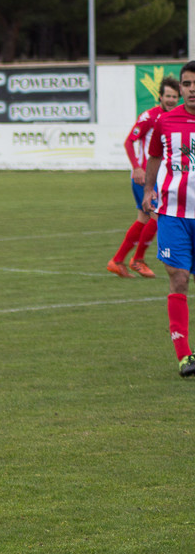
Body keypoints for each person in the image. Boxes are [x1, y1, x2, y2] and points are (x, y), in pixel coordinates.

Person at [143, 61, 195, 377]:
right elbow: (155, 156)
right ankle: (185, 356)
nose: (192, 89)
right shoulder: (165, 121)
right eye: (187, 84)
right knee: (179, 277)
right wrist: (148, 188)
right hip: (173, 214)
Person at [109, 76, 182, 278]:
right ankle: (137, 260)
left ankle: (117, 261)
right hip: (144, 177)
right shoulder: (149, 116)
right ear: (160, 96)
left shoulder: (175, 117)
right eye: (167, 96)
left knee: (143, 219)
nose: (171, 100)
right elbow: (128, 142)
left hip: (161, 178)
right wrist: (136, 168)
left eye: (174, 97)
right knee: (157, 217)